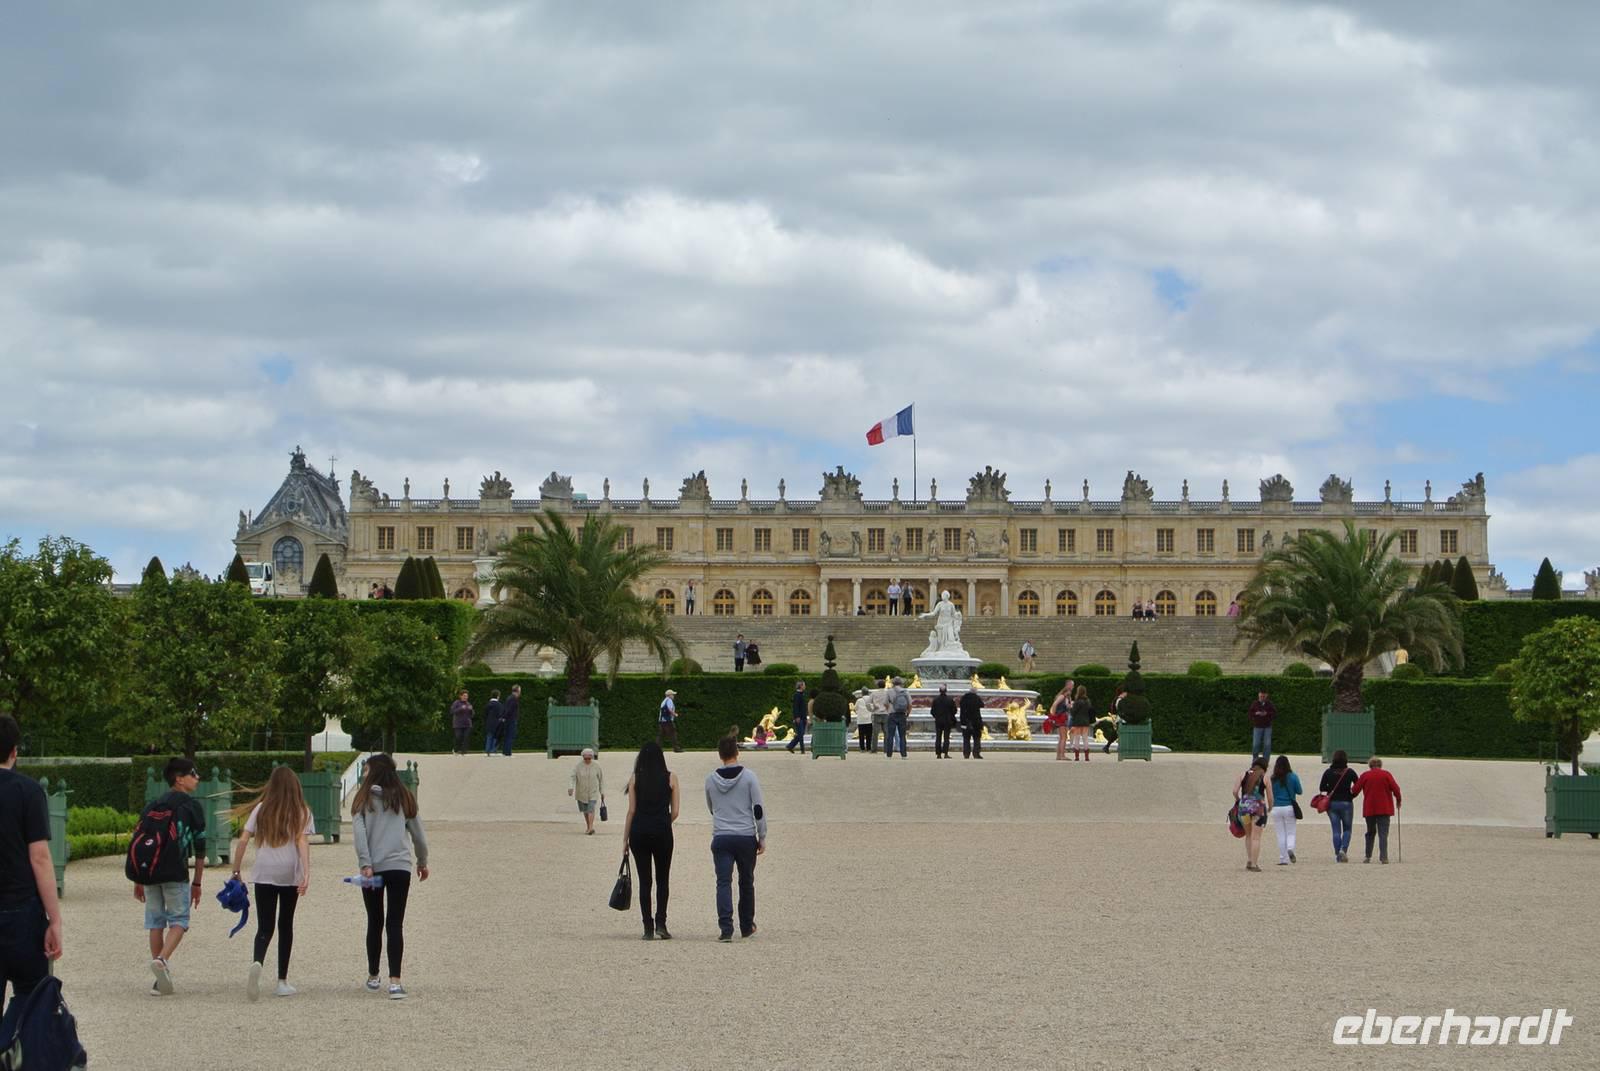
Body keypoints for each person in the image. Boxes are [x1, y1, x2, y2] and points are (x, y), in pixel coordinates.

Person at [230, 766, 313, 1000]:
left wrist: (236, 869)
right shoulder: (302, 811)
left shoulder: (261, 808)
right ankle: (282, 981)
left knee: (265, 926)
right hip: (289, 873)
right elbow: (302, 842)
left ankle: (257, 961)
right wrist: (306, 873)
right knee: (286, 924)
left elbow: (243, 840)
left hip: (264, 871)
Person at [351, 754, 429, 1000]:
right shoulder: (405, 797)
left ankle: (374, 976)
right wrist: (422, 861)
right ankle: (395, 982)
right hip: (399, 866)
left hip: (373, 867)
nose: (363, 774)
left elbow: (359, 834)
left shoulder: (363, 799)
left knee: (374, 921)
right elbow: (419, 836)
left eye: (366, 770)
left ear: (374, 772)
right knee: (395, 923)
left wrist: (365, 863)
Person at [0, 714, 63, 1015]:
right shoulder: (28, 791)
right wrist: (55, 920)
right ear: (15, 750)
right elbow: (39, 858)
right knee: (32, 999)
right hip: (20, 910)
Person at [132, 756, 207, 995]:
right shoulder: (191, 806)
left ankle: (160, 980)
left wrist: (138, 878)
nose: (197, 778)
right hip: (175, 871)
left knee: (155, 923)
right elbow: (200, 848)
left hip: (150, 872)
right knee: (179, 920)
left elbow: (141, 841)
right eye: (193, 773)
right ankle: (162, 960)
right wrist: (197, 882)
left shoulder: (152, 806)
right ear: (179, 779)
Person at [705, 729, 767, 941]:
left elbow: (711, 807)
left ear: (720, 754)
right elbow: (758, 809)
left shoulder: (710, 779)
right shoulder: (749, 777)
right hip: (745, 836)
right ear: (737, 752)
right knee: (746, 881)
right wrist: (762, 835)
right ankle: (747, 925)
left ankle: (726, 928)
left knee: (723, 882)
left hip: (722, 836)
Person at [623, 742, 680, 940]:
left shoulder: (635, 778)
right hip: (662, 832)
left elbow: (631, 811)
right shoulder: (671, 777)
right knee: (663, 879)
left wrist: (625, 840)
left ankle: (647, 927)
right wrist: (662, 821)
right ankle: (661, 924)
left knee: (645, 881)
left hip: (639, 832)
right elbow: (675, 812)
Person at [1353, 758, 1403, 864]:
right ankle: (1384, 857)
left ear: (1370, 765)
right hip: (1384, 808)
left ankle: (1367, 856)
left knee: (1370, 832)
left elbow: (1355, 790)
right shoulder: (1386, 774)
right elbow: (1396, 789)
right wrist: (1398, 800)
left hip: (1369, 808)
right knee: (1383, 833)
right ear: (1380, 765)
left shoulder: (1365, 775)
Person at [1319, 750, 1358, 862]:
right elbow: (1358, 785)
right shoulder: (1350, 772)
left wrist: (1330, 789)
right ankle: (1343, 850)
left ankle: (1337, 854)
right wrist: (1352, 795)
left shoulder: (1328, 772)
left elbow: (1322, 787)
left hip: (1332, 803)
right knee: (1347, 829)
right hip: (1346, 802)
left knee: (1336, 830)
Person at [1233, 759, 1270, 871]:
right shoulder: (1265, 777)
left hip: (1244, 807)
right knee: (1256, 837)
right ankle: (1254, 864)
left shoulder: (1243, 774)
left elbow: (1235, 791)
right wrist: (1270, 807)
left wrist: (1238, 800)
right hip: (1259, 808)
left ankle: (1249, 860)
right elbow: (1270, 796)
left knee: (1248, 835)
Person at [1268, 755, 1303, 866]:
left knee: (1280, 834)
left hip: (1276, 808)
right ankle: (1290, 848)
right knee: (1290, 832)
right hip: (1289, 807)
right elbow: (1300, 791)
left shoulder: (1272, 778)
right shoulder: (1293, 776)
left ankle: (1283, 859)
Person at [568, 748, 606, 834]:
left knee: (591, 809)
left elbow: (601, 780)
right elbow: (572, 777)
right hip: (581, 792)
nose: (587, 760)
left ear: (592, 757)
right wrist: (570, 787)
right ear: (583, 757)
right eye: (585, 758)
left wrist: (602, 792)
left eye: (589, 758)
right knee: (585, 810)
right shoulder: (578, 766)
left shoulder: (597, 766)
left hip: (593, 792)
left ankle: (591, 827)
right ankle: (588, 826)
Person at [1247, 690, 1276, 765]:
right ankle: (1255, 761)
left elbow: (1274, 713)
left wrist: (1267, 713)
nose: (1262, 698)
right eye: (1260, 696)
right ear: (1258, 696)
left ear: (1266, 696)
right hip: (1257, 727)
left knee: (1267, 745)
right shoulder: (1255, 703)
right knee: (1256, 744)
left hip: (1267, 727)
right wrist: (1255, 714)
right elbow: (1250, 713)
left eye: (1263, 696)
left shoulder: (1270, 704)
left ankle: (1265, 762)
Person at [929, 684, 957, 759]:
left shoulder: (936, 700)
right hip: (947, 720)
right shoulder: (950, 700)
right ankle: (946, 753)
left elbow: (932, 711)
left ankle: (938, 754)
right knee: (946, 737)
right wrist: (950, 716)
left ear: (939, 691)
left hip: (938, 721)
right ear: (946, 691)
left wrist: (936, 716)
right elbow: (954, 710)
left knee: (938, 737)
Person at [885, 678, 911, 759]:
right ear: (901, 683)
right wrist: (907, 713)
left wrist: (888, 710)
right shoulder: (905, 691)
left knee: (890, 735)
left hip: (892, 714)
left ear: (893, 683)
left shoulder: (889, 691)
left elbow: (885, 703)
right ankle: (903, 754)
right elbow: (910, 704)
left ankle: (889, 755)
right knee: (902, 735)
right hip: (902, 714)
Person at [1069, 685, 1096, 761]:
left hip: (1077, 721)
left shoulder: (1077, 701)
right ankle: (1087, 757)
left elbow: (1073, 712)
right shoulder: (1088, 701)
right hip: (1086, 721)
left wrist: (1071, 707)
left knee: (1077, 738)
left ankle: (1077, 757)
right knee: (1085, 738)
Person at [1046, 683, 1073, 761]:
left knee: (1062, 737)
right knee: (1064, 737)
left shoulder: (1063, 697)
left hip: (1061, 717)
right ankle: (1062, 755)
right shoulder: (1062, 696)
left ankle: (1059, 755)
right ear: (1066, 691)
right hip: (1061, 718)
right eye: (1069, 691)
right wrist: (1053, 715)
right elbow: (1054, 705)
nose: (1070, 693)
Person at [958, 683, 985, 759]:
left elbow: (961, 706)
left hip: (965, 721)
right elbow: (982, 705)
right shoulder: (977, 698)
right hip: (975, 721)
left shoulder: (964, 698)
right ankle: (976, 753)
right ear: (975, 692)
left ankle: (966, 754)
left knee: (966, 739)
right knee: (976, 739)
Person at [783, 681, 808, 755]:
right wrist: (797, 717)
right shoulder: (797, 695)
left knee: (801, 734)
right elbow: (795, 707)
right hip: (799, 718)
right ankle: (802, 749)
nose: (805, 686)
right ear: (801, 686)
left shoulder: (801, 695)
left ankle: (790, 746)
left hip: (802, 717)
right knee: (801, 734)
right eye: (804, 685)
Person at [499, 684, 522, 756]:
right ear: (517, 691)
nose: (520, 692)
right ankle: (507, 752)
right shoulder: (513, 699)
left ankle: (505, 751)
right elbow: (509, 710)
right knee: (510, 735)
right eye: (520, 690)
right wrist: (505, 717)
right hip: (511, 720)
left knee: (508, 735)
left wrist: (504, 717)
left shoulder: (510, 698)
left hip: (509, 719)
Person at [449, 690, 473, 755]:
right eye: (464, 696)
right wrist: (460, 708)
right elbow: (452, 711)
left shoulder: (468, 704)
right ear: (460, 696)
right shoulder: (456, 703)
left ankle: (464, 751)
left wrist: (471, 710)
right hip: (458, 724)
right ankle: (455, 749)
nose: (466, 697)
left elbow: (472, 715)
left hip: (467, 724)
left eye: (467, 696)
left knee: (466, 737)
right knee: (458, 737)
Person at [482, 689, 504, 757]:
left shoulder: (488, 704)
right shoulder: (499, 705)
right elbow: (501, 714)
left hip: (489, 723)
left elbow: (485, 714)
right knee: (495, 737)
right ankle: (493, 750)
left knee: (489, 736)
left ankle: (487, 750)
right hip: (497, 723)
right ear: (498, 696)